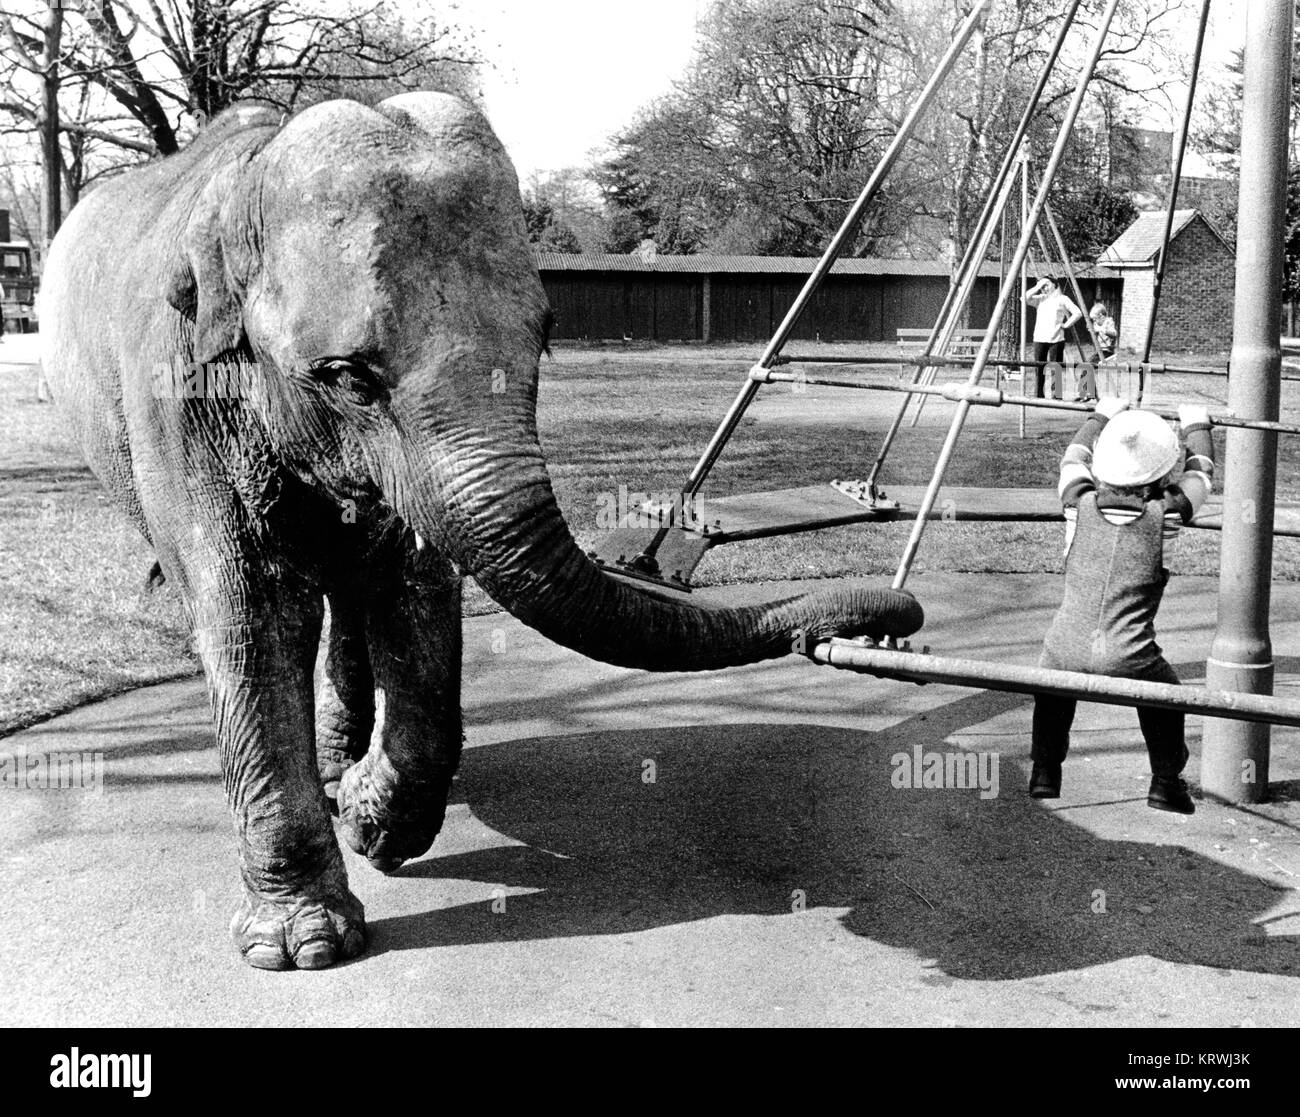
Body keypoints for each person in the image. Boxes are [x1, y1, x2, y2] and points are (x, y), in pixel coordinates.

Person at [1030, 396, 1216, 815]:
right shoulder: (1167, 515)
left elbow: (1073, 456)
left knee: (1053, 682)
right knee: (1165, 695)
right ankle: (1166, 782)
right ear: (1159, 476)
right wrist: (1196, 425)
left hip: (1065, 644)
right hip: (1130, 653)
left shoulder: (1076, 504)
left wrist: (1102, 414)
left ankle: (1045, 768)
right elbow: (1202, 470)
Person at [1024, 276, 1082, 400]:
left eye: (1047, 284)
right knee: (1039, 368)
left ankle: (1057, 395)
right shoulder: (1040, 299)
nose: (1044, 288)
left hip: (1056, 339)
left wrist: (1066, 325)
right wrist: (1038, 286)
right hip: (1039, 338)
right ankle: (1038, 395)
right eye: (1042, 286)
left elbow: (1077, 313)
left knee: (1056, 368)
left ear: (1055, 285)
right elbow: (1024, 298)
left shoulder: (1062, 299)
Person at [1078, 300, 1118, 402]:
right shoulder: (1098, 324)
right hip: (1100, 352)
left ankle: (1088, 394)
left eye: (1095, 319)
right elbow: (1094, 331)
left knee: (1086, 366)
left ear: (1101, 315)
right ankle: (1088, 393)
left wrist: (1100, 330)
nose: (1095, 321)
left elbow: (1114, 333)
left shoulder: (1109, 322)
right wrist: (1091, 329)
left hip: (1107, 352)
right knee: (1086, 366)